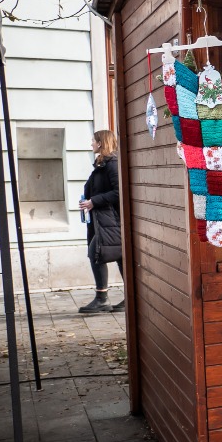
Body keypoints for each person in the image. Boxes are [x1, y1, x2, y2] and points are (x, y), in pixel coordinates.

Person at [78, 129, 124, 314]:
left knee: (95, 251)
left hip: (112, 219)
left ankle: (102, 299)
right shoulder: (103, 163)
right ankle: (127, 296)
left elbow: (118, 191)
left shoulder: (112, 164)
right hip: (104, 219)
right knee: (120, 256)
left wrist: (93, 202)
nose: (91, 144)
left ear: (101, 143)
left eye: (94, 141)